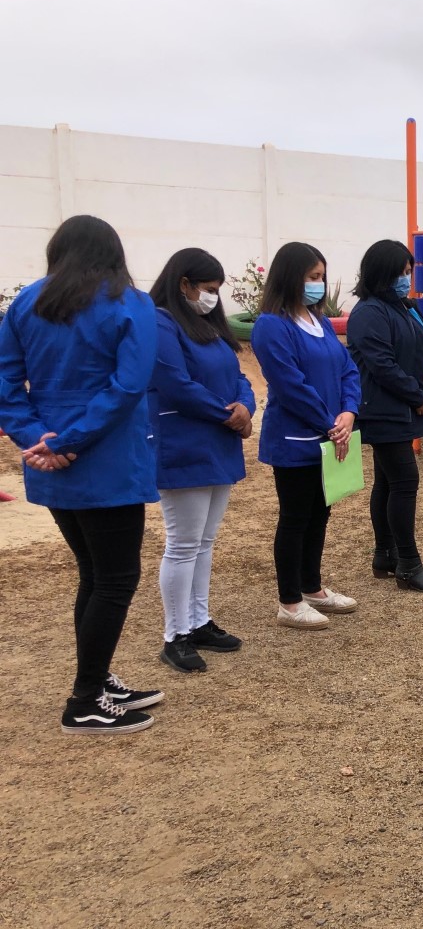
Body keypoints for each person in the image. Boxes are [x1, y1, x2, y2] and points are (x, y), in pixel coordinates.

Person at [0, 215, 164, 734]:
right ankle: (86, 700)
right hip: (107, 458)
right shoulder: (130, 303)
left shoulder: (26, 302)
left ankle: (97, 678)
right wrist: (67, 441)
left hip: (50, 459)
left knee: (94, 574)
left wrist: (37, 438)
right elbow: (128, 385)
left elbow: (5, 382)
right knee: (115, 578)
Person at [148, 248, 256, 672]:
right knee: (182, 543)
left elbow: (239, 376)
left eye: (217, 290)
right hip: (185, 444)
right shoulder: (161, 322)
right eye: (208, 288)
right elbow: (175, 384)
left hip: (218, 443)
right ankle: (175, 634)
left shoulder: (209, 325)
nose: (213, 297)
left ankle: (198, 620)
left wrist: (246, 407)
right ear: (184, 284)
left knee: (204, 541)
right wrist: (228, 415)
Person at [252, 242, 361, 630]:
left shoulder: (320, 322)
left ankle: (311, 587)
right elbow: (290, 385)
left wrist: (348, 412)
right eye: (313, 277)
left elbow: (348, 370)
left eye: (322, 277)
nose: (319, 284)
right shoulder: (272, 326)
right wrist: (330, 423)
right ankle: (289, 601)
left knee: (320, 513)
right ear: (290, 277)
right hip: (295, 440)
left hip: (331, 436)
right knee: (295, 517)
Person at [345, 239, 423, 593]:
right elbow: (382, 365)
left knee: (387, 482)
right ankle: (408, 563)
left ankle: (385, 554)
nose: (406, 279)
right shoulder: (369, 312)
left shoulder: (408, 307)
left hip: (403, 406)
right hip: (382, 410)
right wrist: (417, 396)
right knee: (404, 481)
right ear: (380, 274)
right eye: (399, 273)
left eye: (408, 271)